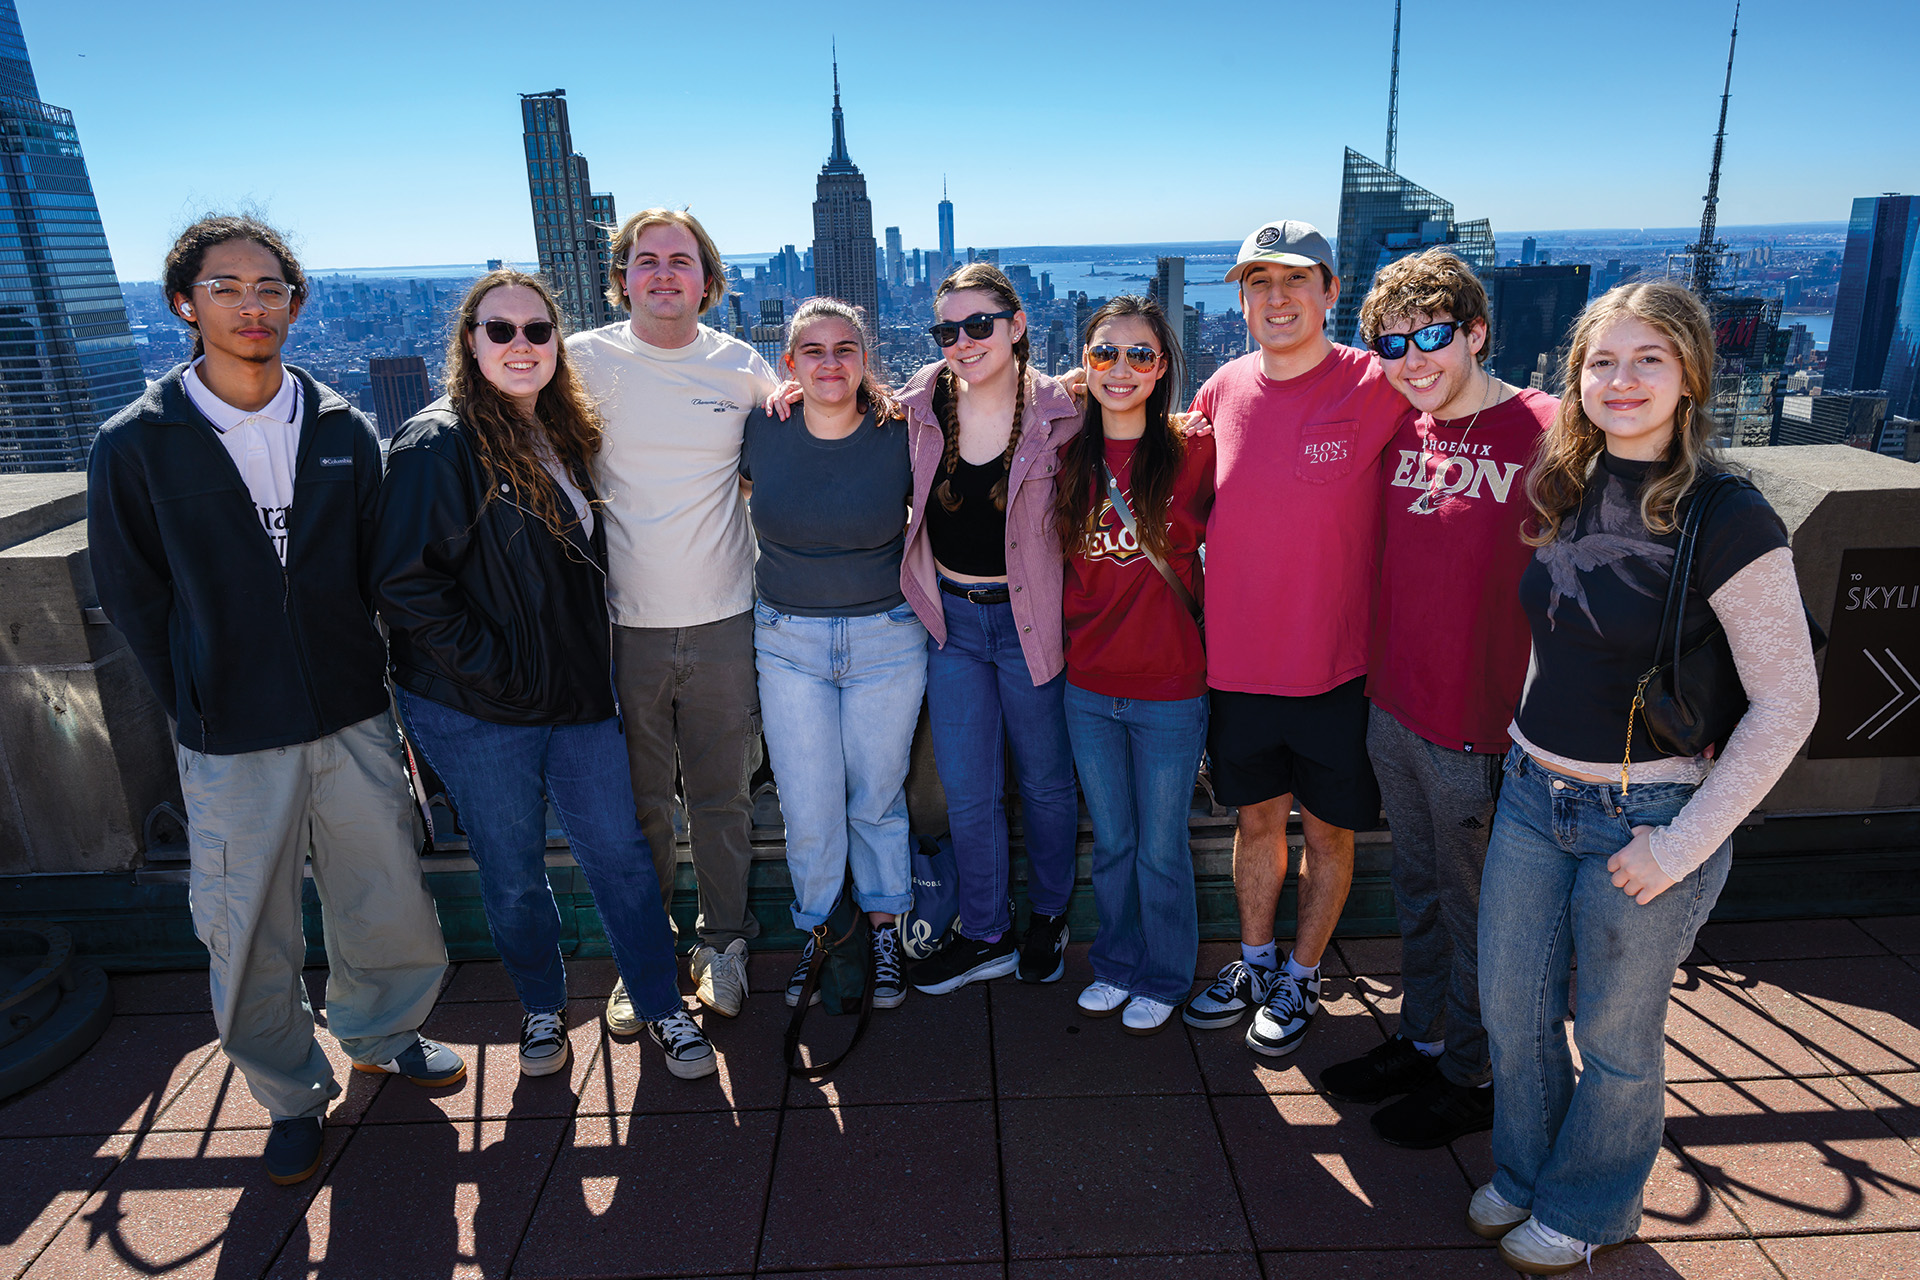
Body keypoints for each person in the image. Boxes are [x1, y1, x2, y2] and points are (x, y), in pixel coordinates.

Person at [87, 215, 459, 1186]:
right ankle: (290, 1090)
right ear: (184, 302)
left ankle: (384, 1031)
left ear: (296, 303)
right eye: (226, 286)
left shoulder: (339, 426)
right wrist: (202, 698)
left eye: (270, 287)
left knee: (385, 892)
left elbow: (377, 568)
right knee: (246, 921)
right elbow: (134, 597)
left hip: (351, 709)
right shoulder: (136, 445)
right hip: (231, 728)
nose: (252, 305)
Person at [1470, 280, 1818, 1274]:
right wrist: (1525, 741)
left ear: (1690, 375)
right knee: (1512, 1004)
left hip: (1649, 812)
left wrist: (1681, 843)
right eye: (1603, 361)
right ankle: (1530, 1169)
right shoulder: (1568, 480)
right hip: (1535, 795)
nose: (1622, 381)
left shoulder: (1729, 512)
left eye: (1648, 359)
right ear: (1577, 377)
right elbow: (1559, 632)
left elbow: (1790, 700)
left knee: (1618, 1032)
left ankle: (1592, 1205)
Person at [372, 270, 716, 1082]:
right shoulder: (438, 442)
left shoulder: (560, 430)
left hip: (574, 694)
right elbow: (404, 585)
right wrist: (503, 674)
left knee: (623, 858)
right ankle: (539, 1007)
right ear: (470, 343)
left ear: (557, 344)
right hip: (477, 705)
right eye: (501, 331)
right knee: (513, 869)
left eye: (537, 331)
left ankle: (660, 1005)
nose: (521, 345)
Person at [1316, 249, 1553, 1147]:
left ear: (1476, 334)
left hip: (1483, 724)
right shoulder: (1400, 429)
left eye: (1432, 338)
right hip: (1396, 706)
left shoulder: (1544, 428)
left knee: (1475, 907)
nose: (1412, 360)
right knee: (1414, 889)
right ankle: (1424, 1039)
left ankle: (1474, 1072)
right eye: (1391, 343)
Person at [1181, 221, 1412, 1058]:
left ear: (1329, 291)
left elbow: (1475, 409)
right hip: (1237, 667)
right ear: (1241, 299)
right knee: (1256, 826)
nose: (1275, 299)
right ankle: (1251, 962)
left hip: (1337, 669)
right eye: (1257, 283)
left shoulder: (1379, 382)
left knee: (1329, 833)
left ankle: (1303, 974)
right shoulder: (1221, 387)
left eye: (1293, 280)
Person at [567, 209, 779, 1025]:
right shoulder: (580, 361)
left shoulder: (741, 366)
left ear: (708, 281)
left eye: (680, 261)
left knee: (723, 796)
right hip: (622, 625)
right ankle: (649, 958)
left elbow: (821, 423)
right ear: (619, 277)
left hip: (726, 617)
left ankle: (723, 942)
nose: (663, 274)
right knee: (641, 803)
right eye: (646, 260)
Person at [897, 263, 1083, 995]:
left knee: (1043, 783)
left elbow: (1135, 429)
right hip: (953, 626)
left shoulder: (1061, 412)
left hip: (1029, 624)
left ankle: (1048, 917)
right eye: (949, 329)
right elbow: (845, 403)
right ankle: (985, 934)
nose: (965, 341)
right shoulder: (920, 401)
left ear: (1018, 325)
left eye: (980, 325)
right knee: (968, 789)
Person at [739, 298, 922, 1011]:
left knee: (877, 798)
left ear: (866, 360)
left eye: (845, 348)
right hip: (787, 642)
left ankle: (882, 932)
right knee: (809, 806)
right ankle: (822, 935)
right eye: (812, 351)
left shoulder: (902, 431)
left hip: (888, 637)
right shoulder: (762, 427)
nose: (829, 363)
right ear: (789, 365)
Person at [1053, 297, 1215, 1035]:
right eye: (1105, 353)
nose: (1122, 368)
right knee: (1112, 842)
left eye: (1141, 355)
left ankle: (1165, 974)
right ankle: (1116, 964)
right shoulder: (1059, 453)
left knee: (1160, 847)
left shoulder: (1196, 449)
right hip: (1087, 686)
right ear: (1083, 364)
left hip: (1170, 690)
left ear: (1165, 369)